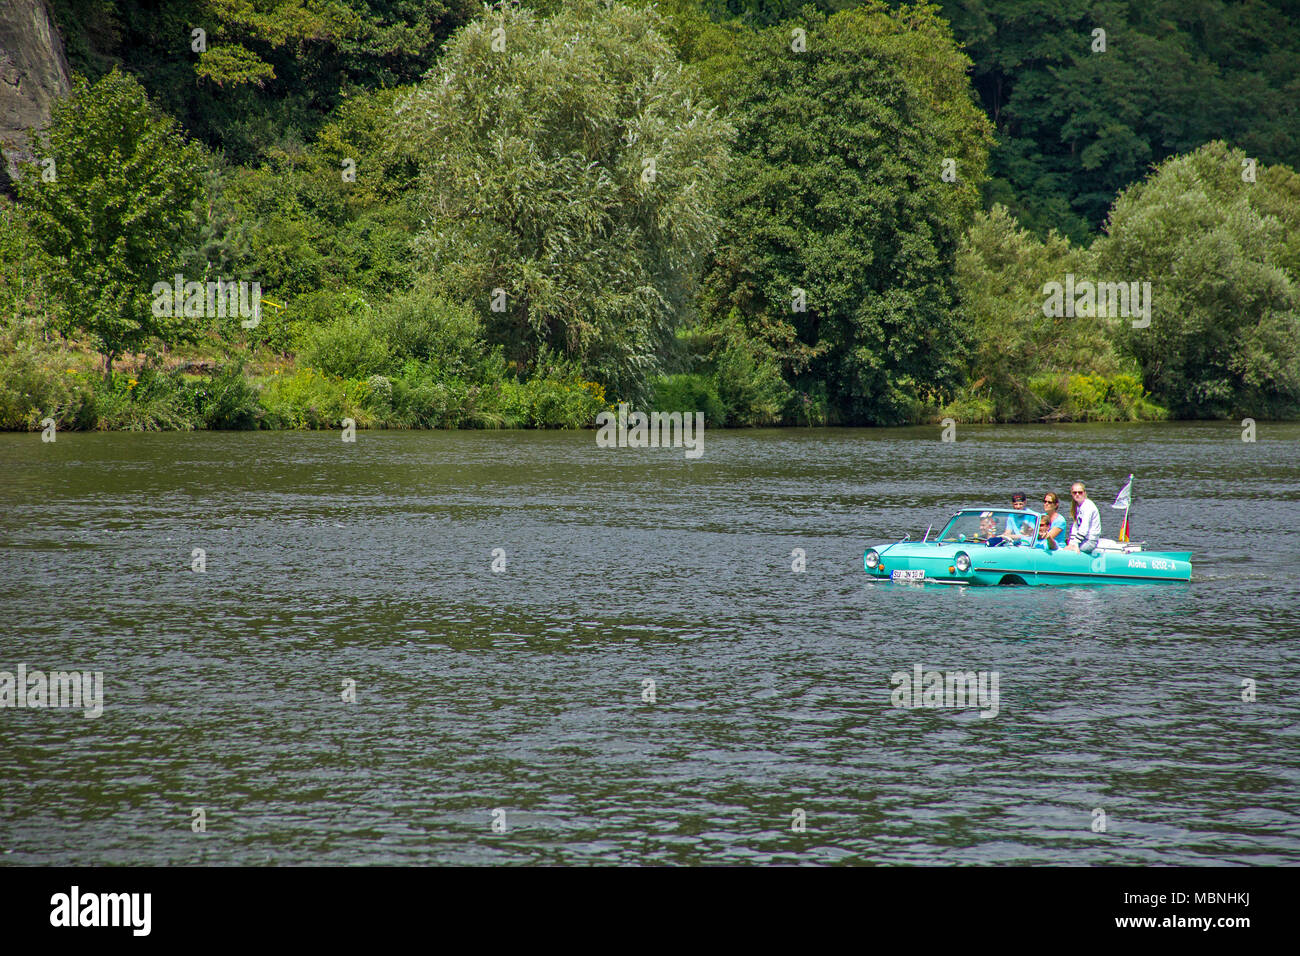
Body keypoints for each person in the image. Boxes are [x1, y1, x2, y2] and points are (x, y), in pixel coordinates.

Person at [1065, 481, 1101, 552]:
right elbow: (1075, 526)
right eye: (1074, 492)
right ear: (1072, 494)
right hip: (1083, 539)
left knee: (1070, 551)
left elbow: (1084, 528)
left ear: (1084, 493)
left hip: (1090, 541)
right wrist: (1072, 542)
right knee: (1067, 545)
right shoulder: (1078, 506)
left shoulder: (1088, 506)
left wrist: (1075, 544)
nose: (1077, 494)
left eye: (1080, 492)